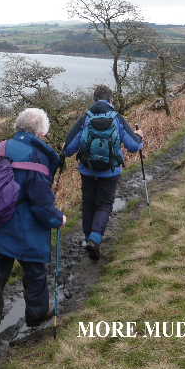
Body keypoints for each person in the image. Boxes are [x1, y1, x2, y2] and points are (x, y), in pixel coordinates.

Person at [0, 108, 66, 347]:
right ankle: (37, 314)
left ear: (19, 128)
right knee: (35, 271)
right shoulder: (37, 159)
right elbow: (41, 205)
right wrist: (58, 219)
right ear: (41, 133)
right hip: (25, 229)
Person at [63, 84, 143, 261]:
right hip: (110, 172)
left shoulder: (86, 117)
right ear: (111, 100)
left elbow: (68, 149)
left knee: (88, 204)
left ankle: (88, 239)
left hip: (88, 170)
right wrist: (139, 135)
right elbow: (133, 146)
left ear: (94, 100)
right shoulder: (117, 117)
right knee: (105, 204)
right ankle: (95, 238)